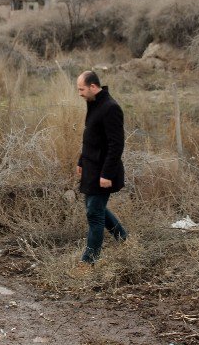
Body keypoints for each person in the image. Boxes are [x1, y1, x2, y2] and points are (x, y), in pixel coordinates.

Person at [76, 71, 127, 267]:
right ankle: (123, 238)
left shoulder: (110, 108)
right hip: (91, 168)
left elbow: (116, 145)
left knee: (94, 214)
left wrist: (107, 174)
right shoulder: (94, 102)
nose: (79, 93)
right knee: (95, 209)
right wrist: (81, 161)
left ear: (93, 87)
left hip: (103, 172)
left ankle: (89, 262)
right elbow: (91, 137)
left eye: (81, 89)